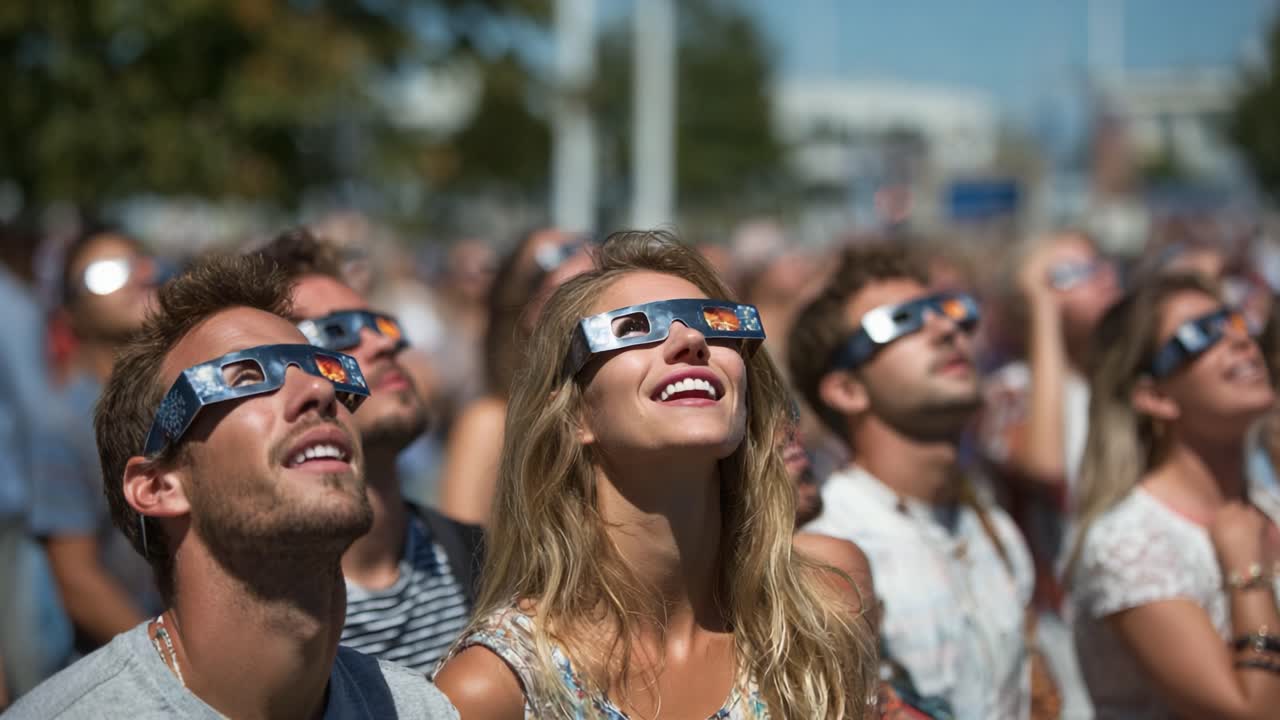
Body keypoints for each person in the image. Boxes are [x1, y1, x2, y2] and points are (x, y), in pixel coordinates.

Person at [433, 231, 877, 719]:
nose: (690, 340)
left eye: (715, 325)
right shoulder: (493, 688)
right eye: (634, 328)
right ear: (575, 415)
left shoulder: (823, 609)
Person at [5, 254, 457, 719]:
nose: (319, 392)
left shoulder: (420, 710)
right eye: (248, 376)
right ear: (158, 486)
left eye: (326, 371)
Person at [789, 243, 1035, 720]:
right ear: (847, 389)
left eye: (947, 310)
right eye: (900, 322)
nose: (947, 329)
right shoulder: (829, 544)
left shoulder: (990, 523)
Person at [256, 228, 482, 671]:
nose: (384, 344)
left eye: (379, 324)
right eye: (335, 333)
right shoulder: (260, 616)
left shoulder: (484, 561)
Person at [1066, 274, 1280, 719]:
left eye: (1234, 321)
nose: (1238, 341)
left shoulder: (1267, 503)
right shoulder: (1129, 543)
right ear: (1155, 396)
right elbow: (1251, 712)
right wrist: (1248, 574)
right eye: (1200, 335)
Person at [29, 227, 167, 652]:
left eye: (142, 265)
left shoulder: (177, 399)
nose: (138, 277)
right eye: (107, 273)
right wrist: (169, 658)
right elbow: (77, 580)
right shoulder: (61, 423)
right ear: (69, 311)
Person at [437, 227, 592, 527]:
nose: (580, 260)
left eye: (588, 244)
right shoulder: (490, 421)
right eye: (555, 258)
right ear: (527, 310)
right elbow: (460, 547)